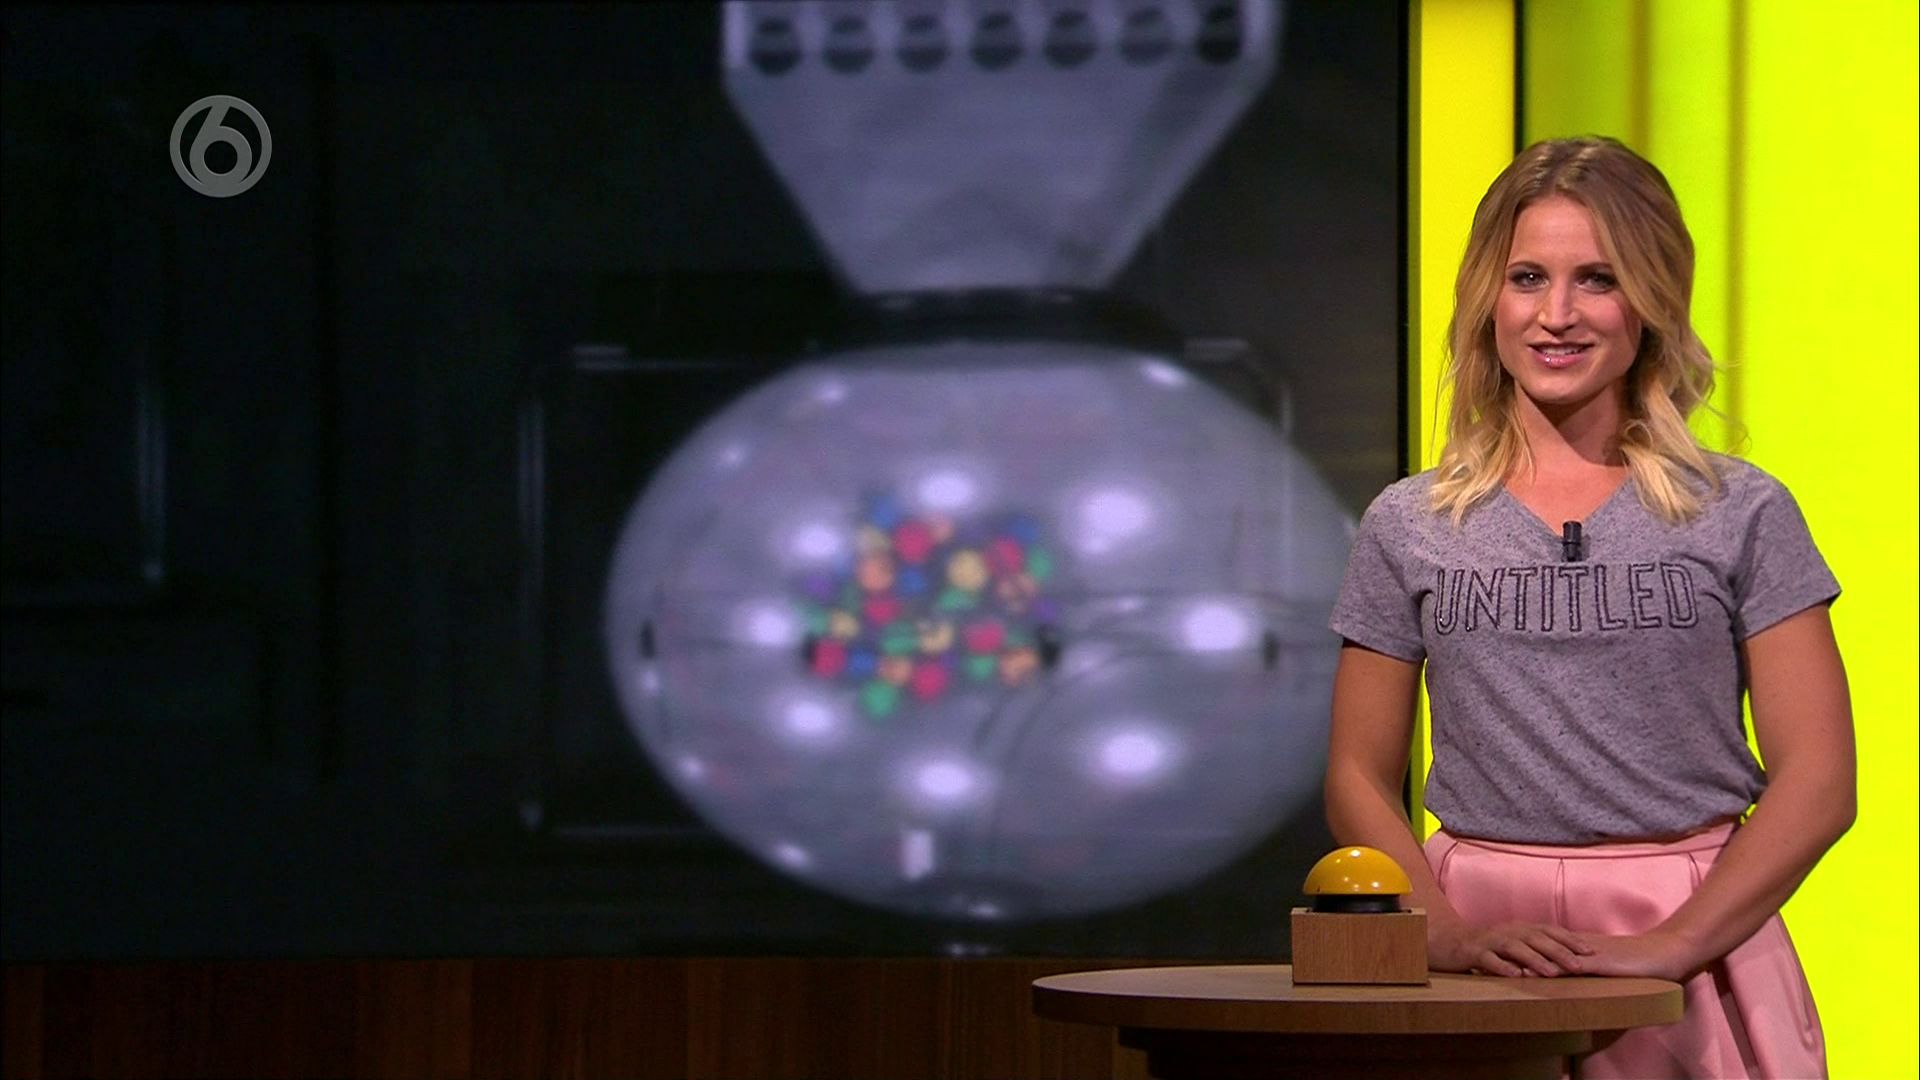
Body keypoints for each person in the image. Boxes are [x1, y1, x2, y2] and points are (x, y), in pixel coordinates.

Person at [1324, 136, 1854, 1079]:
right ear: (1487, 298)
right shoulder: (1409, 522)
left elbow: (1819, 779)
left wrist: (1672, 945)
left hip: (1690, 937)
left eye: (1598, 280)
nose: (1557, 314)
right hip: (1474, 936)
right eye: (1528, 277)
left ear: (1650, 300)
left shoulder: (1741, 510)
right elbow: (1358, 775)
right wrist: (1443, 933)